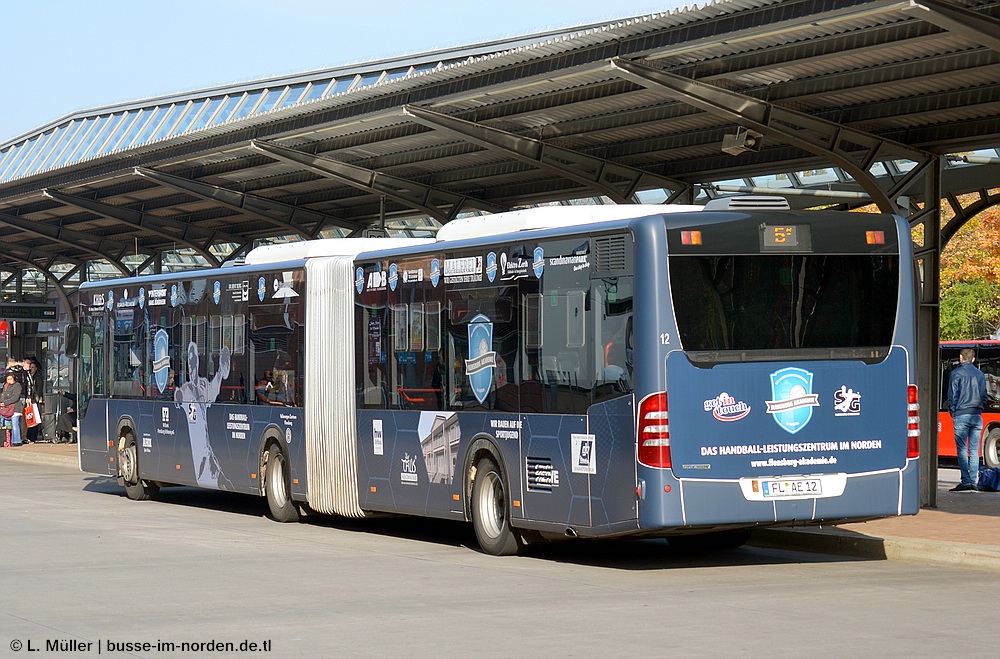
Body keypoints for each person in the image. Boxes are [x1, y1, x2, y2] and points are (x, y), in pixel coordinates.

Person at [175, 342, 232, 488]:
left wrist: (221, 372)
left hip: (208, 453)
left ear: (197, 362)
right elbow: (177, 399)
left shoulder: (203, 385)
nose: (192, 364)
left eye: (195, 360)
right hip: (198, 458)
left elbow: (213, 389)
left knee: (223, 481)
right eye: (190, 360)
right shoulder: (184, 389)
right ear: (187, 362)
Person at [948, 347, 987, 492]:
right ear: (973, 359)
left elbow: (952, 396)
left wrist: (953, 411)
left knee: (962, 449)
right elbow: (984, 395)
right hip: (976, 415)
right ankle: (973, 482)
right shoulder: (980, 374)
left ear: (960, 357)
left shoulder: (955, 373)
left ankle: (965, 482)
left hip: (961, 414)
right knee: (974, 449)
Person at [23, 356, 44, 443]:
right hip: (29, 399)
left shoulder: (38, 377)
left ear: (35, 368)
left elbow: (38, 389)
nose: (31, 369)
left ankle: (33, 436)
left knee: (35, 418)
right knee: (29, 417)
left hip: (35, 399)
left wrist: (38, 399)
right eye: (30, 367)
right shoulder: (28, 376)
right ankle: (28, 435)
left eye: (32, 367)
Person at [1, 371, 25, 447]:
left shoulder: (17, 386)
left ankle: (17, 440)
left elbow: (15, 397)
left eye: (11, 379)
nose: (9, 381)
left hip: (16, 408)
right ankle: (8, 440)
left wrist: (5, 402)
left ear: (14, 379)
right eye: (8, 379)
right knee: (8, 425)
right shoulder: (5, 386)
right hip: (7, 409)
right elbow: (3, 396)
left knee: (15, 424)